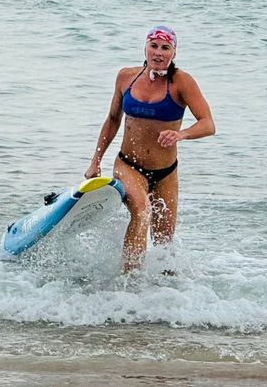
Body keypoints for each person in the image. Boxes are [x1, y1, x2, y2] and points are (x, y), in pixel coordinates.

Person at [85, 25, 215, 272]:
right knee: (142, 211)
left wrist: (181, 134)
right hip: (128, 165)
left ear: (173, 53)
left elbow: (208, 124)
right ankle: (129, 284)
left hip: (166, 172)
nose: (158, 52)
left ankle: (165, 297)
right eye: (153, 46)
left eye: (165, 48)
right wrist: (96, 161)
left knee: (164, 242)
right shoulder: (126, 77)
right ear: (145, 47)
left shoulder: (182, 83)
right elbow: (113, 120)